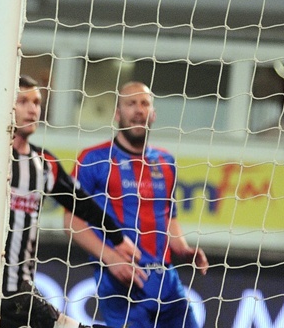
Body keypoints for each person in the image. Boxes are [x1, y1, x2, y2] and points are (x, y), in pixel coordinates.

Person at [0, 77, 144, 328]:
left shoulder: (44, 163)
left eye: (37, 102)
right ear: (6, 106)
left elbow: (81, 203)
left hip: (21, 293)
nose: (32, 109)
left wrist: (118, 239)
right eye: (23, 101)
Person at [65, 81, 209, 328]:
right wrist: (110, 257)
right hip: (123, 280)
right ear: (117, 114)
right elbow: (71, 222)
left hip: (166, 280)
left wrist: (183, 249)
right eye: (131, 103)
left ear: (153, 114)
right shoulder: (92, 159)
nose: (138, 110)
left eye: (144, 104)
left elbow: (169, 217)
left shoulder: (165, 161)